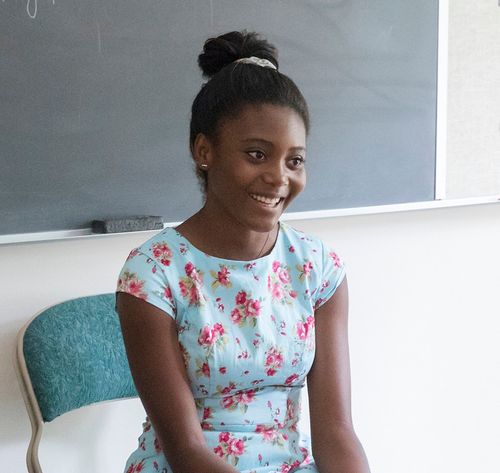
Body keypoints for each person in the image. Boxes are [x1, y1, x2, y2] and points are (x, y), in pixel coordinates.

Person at [115, 30, 370, 473]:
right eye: (256, 154)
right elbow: (185, 451)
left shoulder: (319, 270)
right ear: (203, 151)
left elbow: (337, 432)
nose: (279, 178)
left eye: (295, 160)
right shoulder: (153, 276)